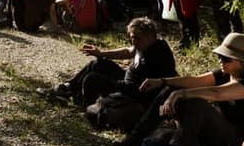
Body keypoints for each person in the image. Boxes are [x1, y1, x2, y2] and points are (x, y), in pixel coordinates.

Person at [118, 33, 244, 146]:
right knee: (171, 89)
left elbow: (216, 93)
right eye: (220, 57)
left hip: (234, 140)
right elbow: (195, 80)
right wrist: (162, 81)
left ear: (241, 62)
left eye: (226, 59)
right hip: (211, 131)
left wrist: (181, 94)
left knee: (197, 103)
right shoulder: (224, 74)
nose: (221, 61)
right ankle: (134, 138)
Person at [39, 17, 176, 108]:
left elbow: (149, 86)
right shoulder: (144, 44)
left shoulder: (159, 54)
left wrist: (116, 84)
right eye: (132, 38)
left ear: (150, 36)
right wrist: (101, 53)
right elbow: (128, 51)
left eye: (137, 38)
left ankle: (82, 103)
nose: (134, 42)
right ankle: (67, 88)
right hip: (126, 80)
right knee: (98, 63)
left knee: (92, 79)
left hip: (133, 91)